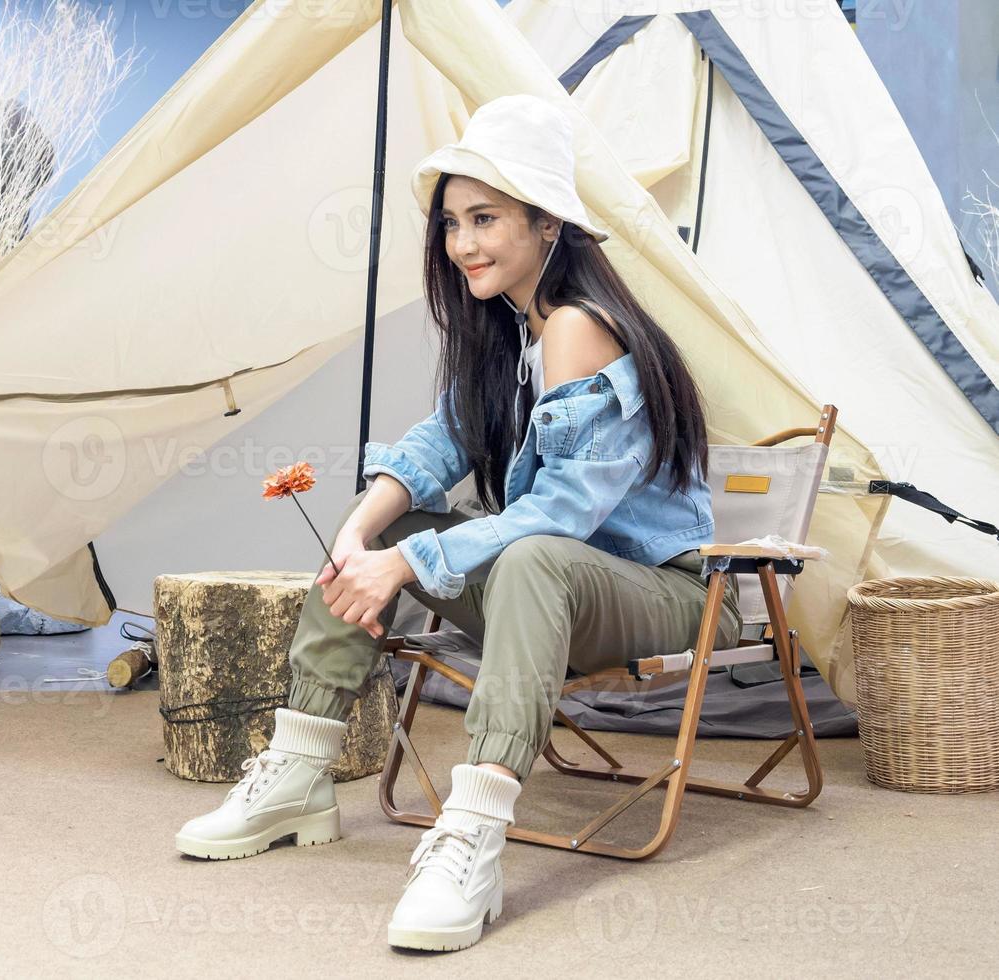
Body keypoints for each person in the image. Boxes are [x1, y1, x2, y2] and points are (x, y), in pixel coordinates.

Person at [174, 93, 743, 952]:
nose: (463, 243)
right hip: (548, 590)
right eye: (450, 223)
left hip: (665, 596)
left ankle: (473, 833)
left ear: (547, 222)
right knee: (399, 532)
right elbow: (437, 442)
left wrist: (405, 569)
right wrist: (359, 535)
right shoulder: (504, 328)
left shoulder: (581, 329)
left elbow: (561, 514)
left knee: (530, 554)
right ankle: (297, 773)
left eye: (485, 218)